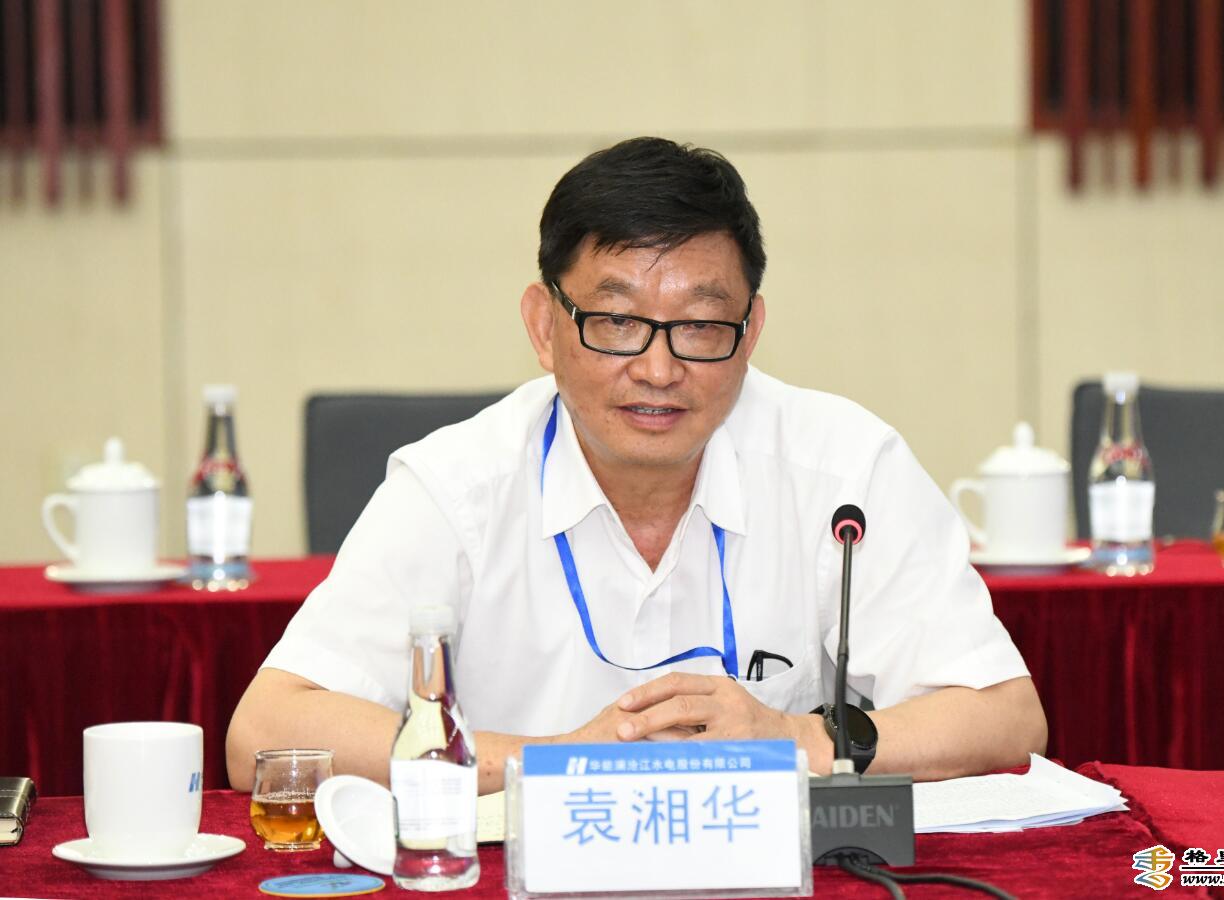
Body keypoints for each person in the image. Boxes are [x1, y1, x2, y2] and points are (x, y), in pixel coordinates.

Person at [227, 137, 1046, 794]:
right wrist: (550, 763)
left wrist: (794, 738)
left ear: (750, 333)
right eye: (616, 322)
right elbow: (266, 731)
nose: (658, 369)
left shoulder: (843, 468)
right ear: (543, 327)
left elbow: (1005, 716)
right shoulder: (455, 487)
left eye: (700, 325)